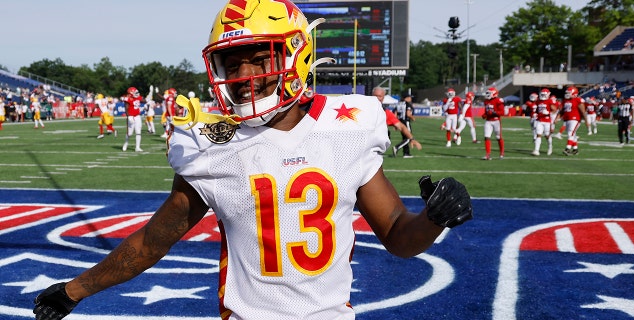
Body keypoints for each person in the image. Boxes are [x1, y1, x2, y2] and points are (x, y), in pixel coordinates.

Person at [32, 1, 473, 319]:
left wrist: (433, 218)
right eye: (232, 64)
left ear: (297, 55)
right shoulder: (211, 143)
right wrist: (74, 291)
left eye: (260, 60)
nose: (245, 78)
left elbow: (398, 236)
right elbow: (153, 242)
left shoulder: (347, 128)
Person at [371, 86, 422, 156]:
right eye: (375, 96)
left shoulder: (386, 112)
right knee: (405, 138)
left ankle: (405, 152)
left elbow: (401, 127)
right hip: (362, 144)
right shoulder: (362, 108)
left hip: (373, 149)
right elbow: (407, 114)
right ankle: (400, 149)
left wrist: (412, 139)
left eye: (379, 96)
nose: (377, 98)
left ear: (383, 98)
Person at [560, 86, 587, 155]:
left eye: (569, 93)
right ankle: (575, 149)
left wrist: (586, 121)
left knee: (570, 133)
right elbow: (562, 110)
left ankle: (567, 149)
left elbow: (583, 111)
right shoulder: (565, 100)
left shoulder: (578, 100)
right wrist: (558, 117)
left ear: (574, 93)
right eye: (567, 93)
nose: (567, 94)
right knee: (573, 134)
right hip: (567, 119)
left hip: (575, 119)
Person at [531, 88, 557, 156]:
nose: (542, 96)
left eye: (544, 94)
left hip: (547, 121)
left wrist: (548, 112)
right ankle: (536, 150)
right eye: (542, 94)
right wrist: (535, 113)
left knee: (547, 135)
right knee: (538, 134)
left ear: (548, 95)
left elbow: (554, 110)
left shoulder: (549, 101)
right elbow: (537, 109)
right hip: (539, 120)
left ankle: (550, 147)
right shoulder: (538, 101)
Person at [482, 87, 505, 160]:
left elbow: (502, 112)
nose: (487, 94)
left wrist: (494, 112)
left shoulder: (498, 100)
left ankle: (501, 153)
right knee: (486, 137)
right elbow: (487, 111)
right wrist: (485, 115)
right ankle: (488, 154)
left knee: (498, 138)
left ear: (494, 94)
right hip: (488, 121)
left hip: (496, 121)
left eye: (489, 93)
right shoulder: (486, 101)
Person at [121, 87, 145, 152]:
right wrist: (128, 116)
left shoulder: (138, 97)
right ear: (131, 93)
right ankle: (126, 143)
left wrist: (149, 95)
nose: (137, 93)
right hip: (131, 117)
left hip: (137, 116)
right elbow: (126, 109)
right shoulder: (128, 99)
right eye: (135, 92)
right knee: (130, 133)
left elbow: (144, 101)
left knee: (138, 132)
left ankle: (137, 147)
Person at [395, 92, 416, 156]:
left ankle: (406, 153)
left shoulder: (399, 103)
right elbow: (408, 114)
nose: (410, 99)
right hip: (406, 121)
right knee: (409, 137)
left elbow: (395, 113)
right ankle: (396, 147)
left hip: (400, 122)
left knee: (404, 138)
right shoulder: (407, 104)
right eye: (409, 97)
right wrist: (413, 118)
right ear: (406, 98)